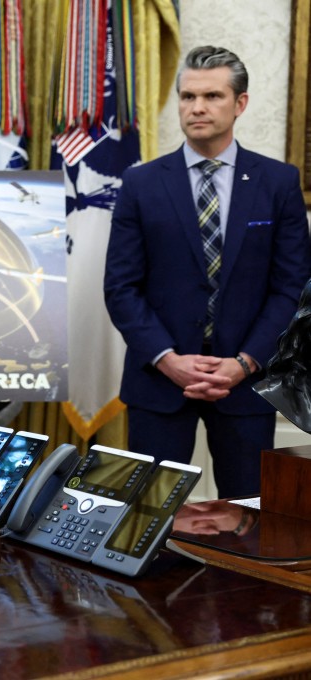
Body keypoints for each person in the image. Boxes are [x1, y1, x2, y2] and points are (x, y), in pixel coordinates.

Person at [104, 45, 311, 498]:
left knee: (251, 520)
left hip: (247, 384)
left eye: (213, 96)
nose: (196, 107)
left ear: (240, 103)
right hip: (159, 383)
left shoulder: (278, 182)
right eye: (187, 96)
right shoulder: (141, 183)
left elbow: (292, 289)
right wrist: (168, 358)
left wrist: (245, 362)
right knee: (149, 520)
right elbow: (121, 287)